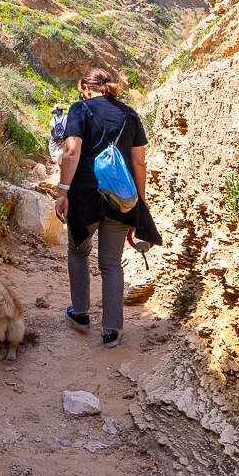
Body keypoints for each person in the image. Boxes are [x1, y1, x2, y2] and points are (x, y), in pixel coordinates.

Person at [54, 67, 160, 349]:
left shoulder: (80, 109)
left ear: (87, 89)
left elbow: (72, 151)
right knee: (111, 263)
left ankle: (80, 314)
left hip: (84, 196)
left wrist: (63, 191)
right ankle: (112, 330)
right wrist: (139, 199)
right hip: (120, 198)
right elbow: (139, 162)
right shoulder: (129, 114)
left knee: (78, 251)